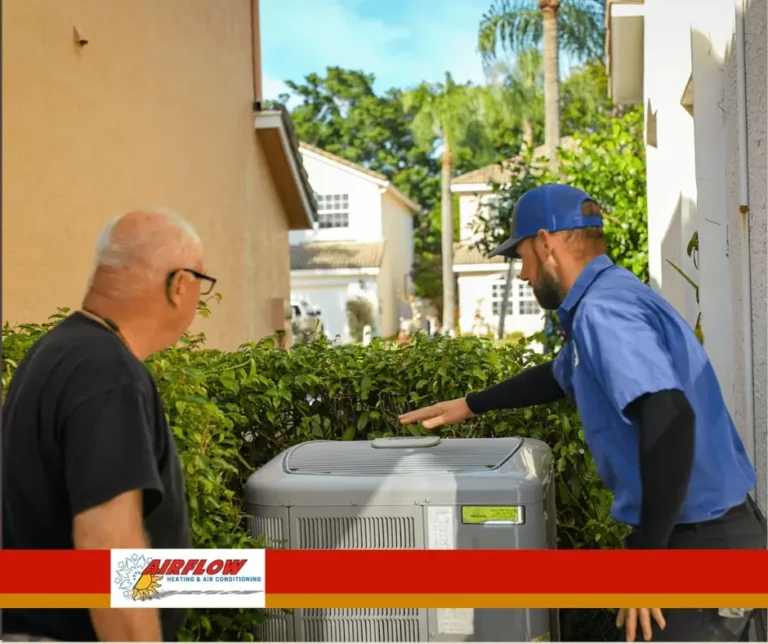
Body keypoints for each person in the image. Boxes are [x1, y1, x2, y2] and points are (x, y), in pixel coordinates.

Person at [399, 184, 765, 643]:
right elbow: (560, 374)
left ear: (546, 243)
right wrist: (470, 405)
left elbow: (669, 416)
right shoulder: (612, 296)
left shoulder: (603, 311)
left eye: (522, 258)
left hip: (702, 546)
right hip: (709, 537)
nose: (525, 275)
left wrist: (646, 565)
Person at [2, 209, 216, 642]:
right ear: (179, 285)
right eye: (201, 285)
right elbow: (108, 553)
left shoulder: (56, 352)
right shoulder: (108, 373)